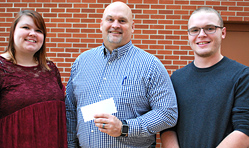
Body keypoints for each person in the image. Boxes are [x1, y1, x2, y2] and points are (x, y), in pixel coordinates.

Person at [65, 1, 178, 148]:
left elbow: (167, 113)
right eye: (110, 19)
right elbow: (70, 110)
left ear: (133, 27)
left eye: (122, 21)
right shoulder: (81, 62)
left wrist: (124, 128)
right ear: (101, 24)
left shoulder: (151, 65)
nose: (115, 25)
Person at [160, 7, 249, 148]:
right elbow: (168, 127)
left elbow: (244, 130)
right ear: (189, 35)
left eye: (210, 28)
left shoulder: (242, 76)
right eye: (195, 30)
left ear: (223, 32)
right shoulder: (177, 78)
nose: (201, 35)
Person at [0, 10, 67, 148]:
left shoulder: (50, 69)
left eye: (39, 30)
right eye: (26, 27)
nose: (33, 33)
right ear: (13, 32)